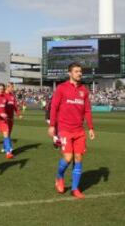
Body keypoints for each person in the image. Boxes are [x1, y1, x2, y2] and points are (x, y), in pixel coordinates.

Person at [48, 62, 95, 199]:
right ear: (70, 73)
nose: (79, 73)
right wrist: (52, 125)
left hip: (79, 130)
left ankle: (75, 189)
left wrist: (91, 127)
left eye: (80, 71)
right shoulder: (61, 88)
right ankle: (59, 177)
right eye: (76, 71)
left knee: (78, 158)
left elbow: (87, 110)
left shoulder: (84, 90)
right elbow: (54, 107)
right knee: (68, 158)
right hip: (65, 129)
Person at [4, 82, 22, 153]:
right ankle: (9, 148)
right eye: (12, 87)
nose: (13, 88)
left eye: (13, 87)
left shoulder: (12, 96)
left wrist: (18, 114)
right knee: (7, 132)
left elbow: (15, 106)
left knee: (8, 133)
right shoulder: (3, 95)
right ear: (7, 87)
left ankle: (4, 147)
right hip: (5, 118)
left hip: (11, 117)